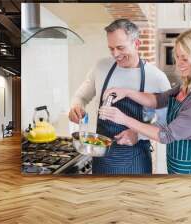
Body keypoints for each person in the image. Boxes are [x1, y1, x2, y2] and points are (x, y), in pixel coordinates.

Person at [99, 28, 191, 175]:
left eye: (185, 58)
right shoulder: (188, 86)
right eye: (177, 58)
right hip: (177, 163)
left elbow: (165, 135)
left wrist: (123, 119)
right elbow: (158, 100)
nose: (179, 64)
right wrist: (126, 92)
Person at [68, 19, 171, 174]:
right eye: (111, 49)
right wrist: (76, 107)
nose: (115, 54)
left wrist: (139, 134)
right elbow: (81, 97)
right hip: (102, 159)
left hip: (135, 159)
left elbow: (166, 124)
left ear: (137, 44)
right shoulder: (101, 67)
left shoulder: (156, 78)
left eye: (120, 48)